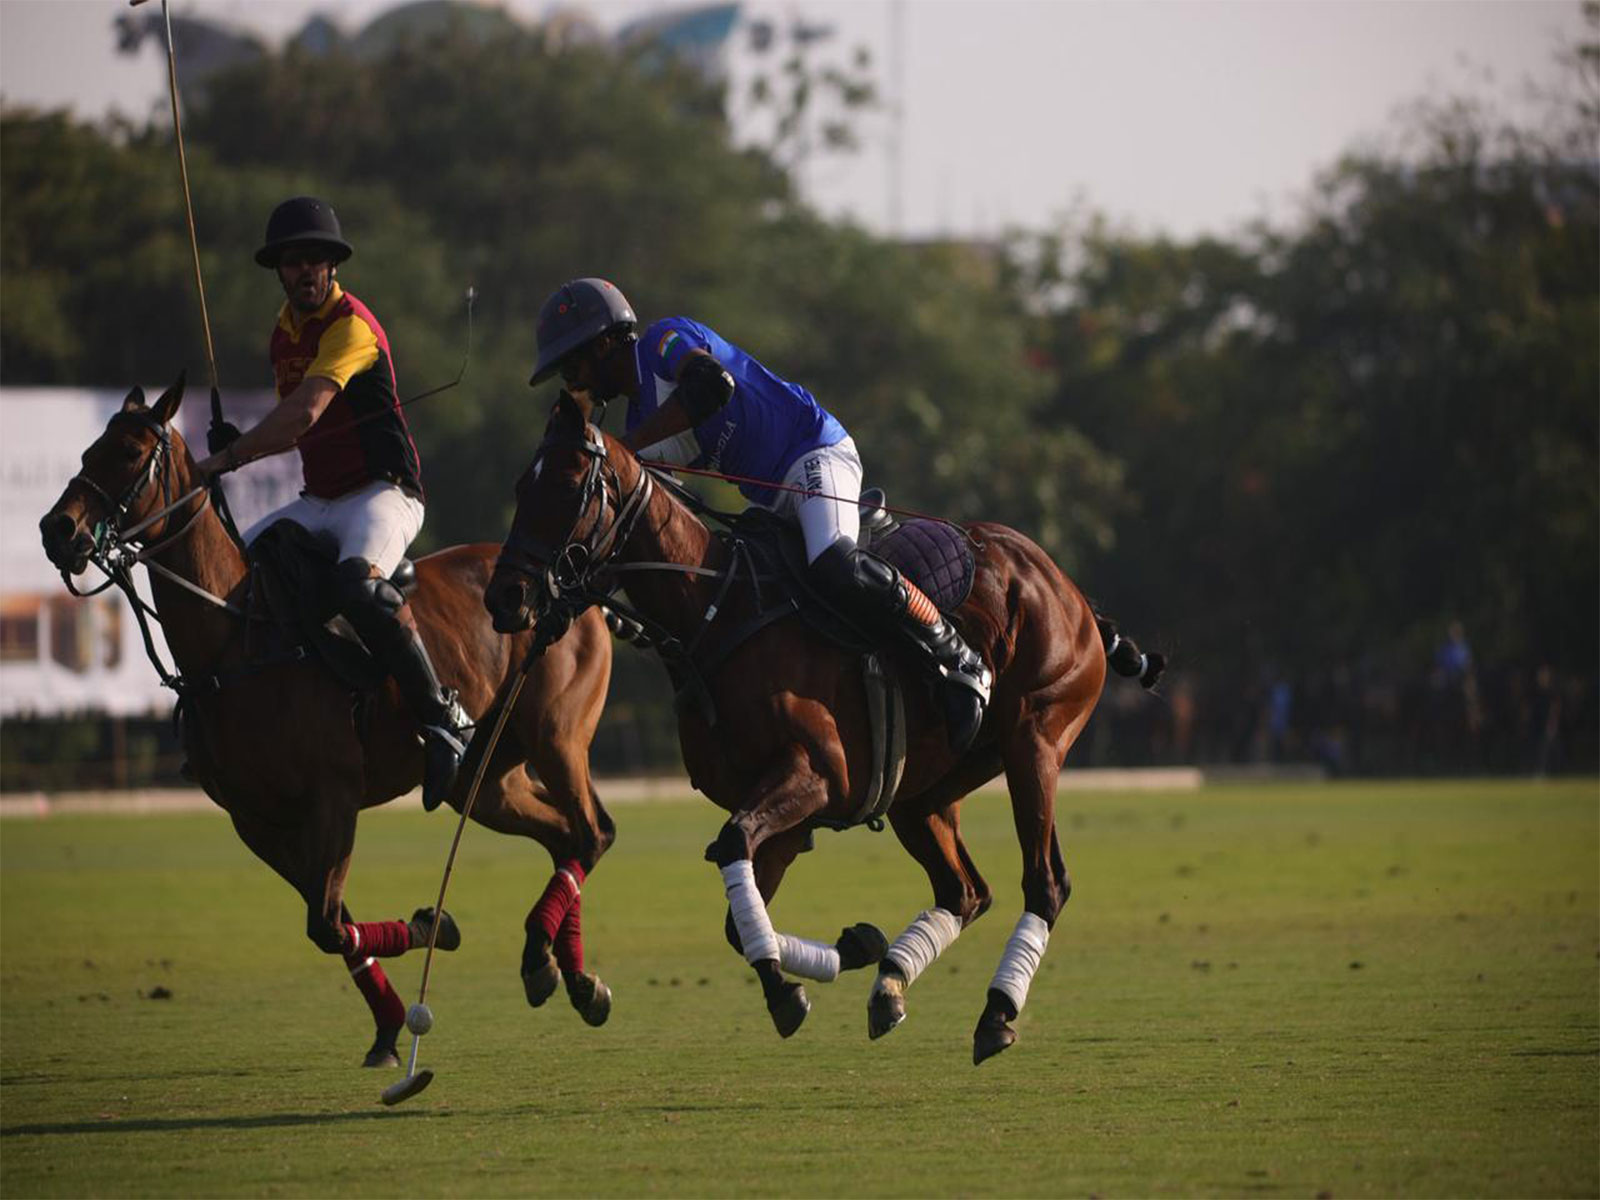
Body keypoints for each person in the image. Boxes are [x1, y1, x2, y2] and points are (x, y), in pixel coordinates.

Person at [528, 277, 991, 751]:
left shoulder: (664, 341)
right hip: (768, 502)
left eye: (573, 364)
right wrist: (576, 599)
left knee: (832, 560)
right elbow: (648, 526)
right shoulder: (637, 426)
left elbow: (711, 387)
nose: (573, 382)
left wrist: (622, 452)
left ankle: (955, 654)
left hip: (814, 451)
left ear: (605, 344)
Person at [194, 195, 469, 810]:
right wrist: (233, 442)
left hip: (384, 492)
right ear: (280, 271)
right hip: (319, 499)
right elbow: (297, 424)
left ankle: (443, 718)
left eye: (314, 260)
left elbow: (302, 415)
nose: (304, 272)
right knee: (239, 573)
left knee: (356, 584)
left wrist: (227, 456)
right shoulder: (282, 334)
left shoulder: (351, 327)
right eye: (292, 262)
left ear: (333, 266)